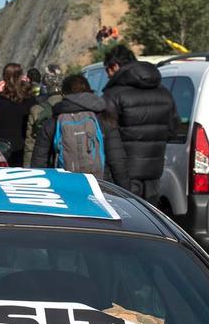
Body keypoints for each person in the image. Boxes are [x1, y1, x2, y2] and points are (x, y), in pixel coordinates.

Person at [100, 45, 177, 205]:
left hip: (123, 174)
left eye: (107, 70)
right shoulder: (164, 92)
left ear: (114, 67)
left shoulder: (113, 96)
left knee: (127, 219)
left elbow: (106, 134)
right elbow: (173, 128)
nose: (107, 76)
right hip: (154, 171)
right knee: (150, 221)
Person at [30, 74, 128, 185]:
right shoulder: (103, 118)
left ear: (64, 94)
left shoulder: (54, 121)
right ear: (88, 90)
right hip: (100, 185)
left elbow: (39, 162)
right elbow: (117, 160)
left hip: (64, 187)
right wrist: (127, 192)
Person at [0, 63, 35, 166]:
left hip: (2, 149)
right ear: (21, 76)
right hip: (24, 148)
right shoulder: (30, 99)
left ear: (5, 77)